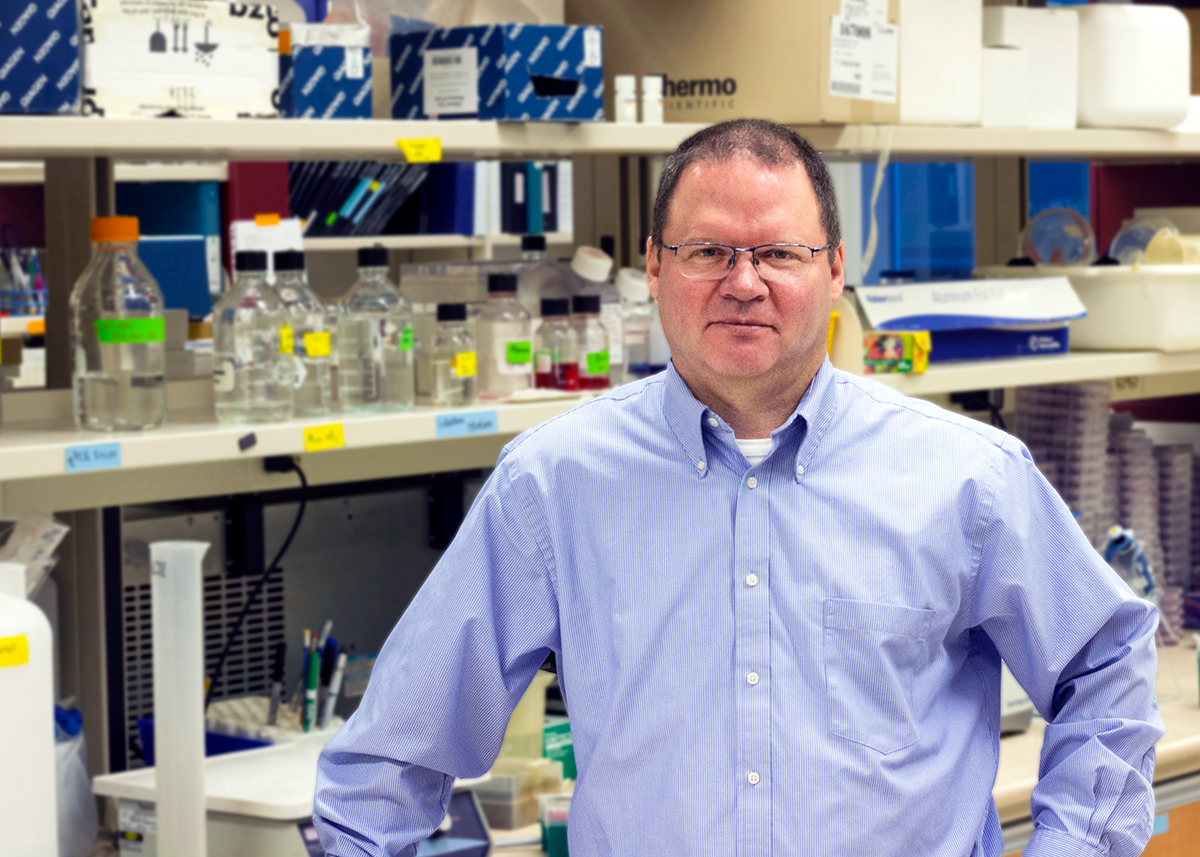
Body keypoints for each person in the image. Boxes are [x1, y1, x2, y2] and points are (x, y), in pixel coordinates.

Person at [314, 119, 1163, 857]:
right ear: (653, 265)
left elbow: (1106, 661)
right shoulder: (553, 483)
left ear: (834, 269)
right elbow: (394, 753)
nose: (744, 281)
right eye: (708, 251)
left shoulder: (968, 477)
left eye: (779, 253)